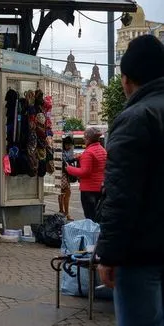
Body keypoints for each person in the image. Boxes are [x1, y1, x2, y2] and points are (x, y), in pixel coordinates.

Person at [96, 35, 164, 326]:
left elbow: (121, 196)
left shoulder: (135, 118)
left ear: (125, 80)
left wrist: (108, 255)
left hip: (142, 256)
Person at [65, 127, 106, 222]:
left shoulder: (88, 153)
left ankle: (93, 236)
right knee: (98, 216)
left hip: (88, 190)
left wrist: (69, 169)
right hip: (100, 188)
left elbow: (84, 172)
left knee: (90, 218)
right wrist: (81, 157)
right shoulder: (102, 150)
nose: (83, 139)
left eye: (85, 137)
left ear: (88, 139)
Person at [58, 134, 75, 221]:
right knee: (64, 193)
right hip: (62, 174)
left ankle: (63, 212)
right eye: (68, 145)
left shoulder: (70, 150)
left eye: (70, 145)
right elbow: (65, 161)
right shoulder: (61, 151)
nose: (69, 147)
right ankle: (64, 212)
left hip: (66, 174)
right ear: (65, 144)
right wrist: (73, 159)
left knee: (65, 193)